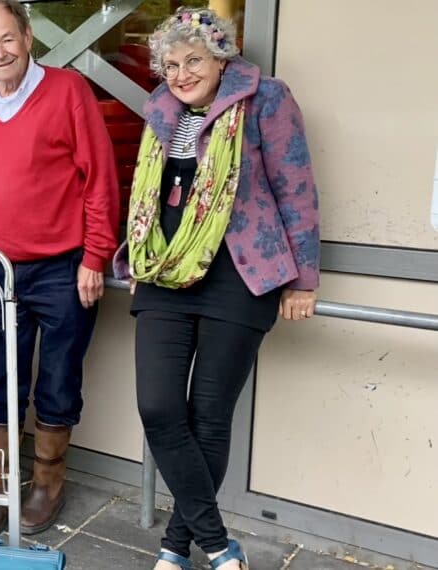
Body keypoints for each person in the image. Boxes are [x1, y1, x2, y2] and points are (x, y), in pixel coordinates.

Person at [114, 8, 320, 570]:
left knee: (208, 416)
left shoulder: (266, 99)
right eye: (170, 65)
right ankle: (218, 545)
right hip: (165, 271)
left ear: (221, 56)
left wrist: (303, 278)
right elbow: (148, 196)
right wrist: (137, 259)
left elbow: (296, 188)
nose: (180, 74)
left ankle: (176, 547)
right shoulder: (162, 109)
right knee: (158, 407)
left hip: (241, 273)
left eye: (193, 60)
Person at [0, 0, 120, 534]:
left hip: (63, 267)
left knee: (58, 380)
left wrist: (95, 255)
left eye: (8, 38)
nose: (0, 51)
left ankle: (47, 486)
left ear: (27, 37)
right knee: (1, 378)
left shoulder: (68, 91)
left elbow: (100, 179)